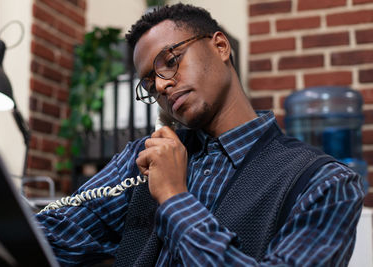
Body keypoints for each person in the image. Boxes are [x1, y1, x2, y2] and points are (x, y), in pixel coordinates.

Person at [36, 3, 365, 266]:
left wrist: (175, 199)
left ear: (221, 46)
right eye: (150, 83)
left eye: (170, 60)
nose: (162, 85)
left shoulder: (325, 184)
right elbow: (53, 237)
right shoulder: (144, 159)